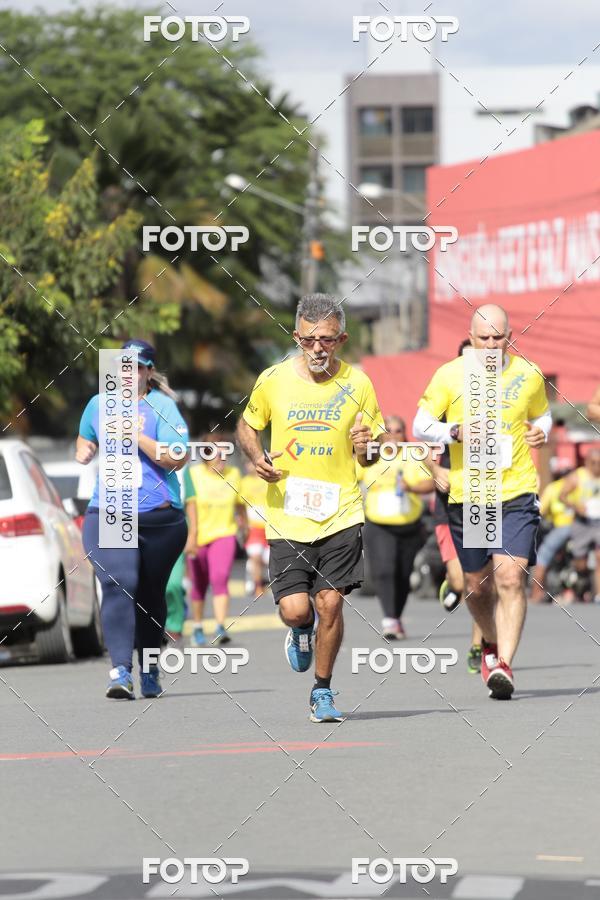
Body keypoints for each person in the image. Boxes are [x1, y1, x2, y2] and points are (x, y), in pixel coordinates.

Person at [236, 293, 386, 723]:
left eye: (326, 340)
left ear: (342, 339)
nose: (317, 348)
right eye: (308, 340)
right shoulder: (274, 379)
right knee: (297, 610)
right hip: (288, 515)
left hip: (341, 512)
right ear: (296, 336)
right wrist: (255, 456)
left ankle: (322, 690)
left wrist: (368, 448)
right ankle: (299, 632)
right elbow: (248, 424)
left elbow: (370, 453)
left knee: (331, 605)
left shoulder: (358, 384)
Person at [413, 304, 552, 700]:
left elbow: (541, 416)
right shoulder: (450, 374)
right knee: (476, 587)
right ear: (471, 337)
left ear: (511, 336)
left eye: (499, 337)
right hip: (471, 495)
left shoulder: (527, 374)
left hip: (516, 491)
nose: (492, 345)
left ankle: (503, 665)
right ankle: (489, 643)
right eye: (484, 338)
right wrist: (454, 431)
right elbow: (421, 425)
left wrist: (539, 432)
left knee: (511, 576)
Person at [76, 339, 189, 699]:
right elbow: (84, 439)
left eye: (137, 367)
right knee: (119, 581)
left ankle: (150, 667)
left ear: (148, 372)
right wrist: (85, 449)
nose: (128, 373)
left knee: (150, 593)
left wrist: (134, 433)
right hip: (109, 511)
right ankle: (120, 671)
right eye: (122, 366)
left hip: (159, 519)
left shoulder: (163, 407)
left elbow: (177, 457)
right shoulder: (97, 404)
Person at [423, 338, 483, 673]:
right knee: (462, 583)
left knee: (480, 582)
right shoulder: (444, 399)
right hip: (449, 503)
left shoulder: (498, 399)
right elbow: (425, 445)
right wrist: (436, 469)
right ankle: (451, 582)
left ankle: (480, 645)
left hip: (484, 497)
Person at [359, 415, 430, 640]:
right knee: (384, 569)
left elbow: (431, 482)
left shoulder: (413, 456)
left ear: (404, 434)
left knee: (402, 574)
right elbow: (348, 476)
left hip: (409, 524)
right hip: (378, 523)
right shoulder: (370, 458)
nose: (393, 435)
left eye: (398, 431)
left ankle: (395, 617)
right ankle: (389, 620)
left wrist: (411, 487)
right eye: (387, 430)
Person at [184, 436, 248, 646]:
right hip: (198, 537)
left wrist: (244, 525)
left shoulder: (234, 474)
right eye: (216, 453)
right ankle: (198, 627)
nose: (221, 457)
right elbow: (186, 506)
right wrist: (188, 538)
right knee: (199, 584)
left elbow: (240, 504)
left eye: (224, 453)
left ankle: (220, 626)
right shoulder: (193, 474)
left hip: (225, 533)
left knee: (220, 577)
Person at [559, 447, 600, 603]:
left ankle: (598, 595)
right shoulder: (577, 477)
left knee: (599, 556)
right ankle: (583, 581)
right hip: (582, 523)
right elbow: (561, 496)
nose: (597, 466)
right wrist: (576, 506)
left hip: (598, 522)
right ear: (588, 462)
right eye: (594, 463)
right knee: (580, 563)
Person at [530, 473, 574, 603]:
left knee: (543, 555)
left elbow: (540, 511)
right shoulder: (579, 483)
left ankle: (536, 593)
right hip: (583, 526)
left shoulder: (553, 488)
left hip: (563, 527)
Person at [240, 461, 270, 599]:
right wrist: (242, 524)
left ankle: (254, 575)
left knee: (267, 559)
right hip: (253, 527)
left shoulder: (268, 480)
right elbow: (239, 506)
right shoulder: (243, 482)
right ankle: (258, 586)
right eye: (249, 463)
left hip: (269, 526)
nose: (251, 466)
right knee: (256, 556)